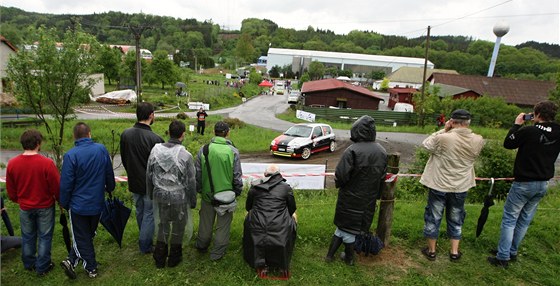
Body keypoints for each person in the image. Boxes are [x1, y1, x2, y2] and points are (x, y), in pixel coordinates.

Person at [488, 101, 560, 268]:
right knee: (524, 220)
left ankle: (503, 257)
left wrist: (516, 125)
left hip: (524, 182)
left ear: (537, 114)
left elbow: (508, 143)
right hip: (543, 183)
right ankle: (511, 251)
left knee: (510, 219)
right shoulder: (558, 131)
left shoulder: (529, 130)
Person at [419, 109, 484, 262]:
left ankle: (432, 250)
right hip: (460, 185)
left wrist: (444, 129)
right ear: (468, 123)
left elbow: (426, 144)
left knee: (434, 216)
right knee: (456, 217)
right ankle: (454, 251)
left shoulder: (444, 138)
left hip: (439, 183)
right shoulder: (478, 139)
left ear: (453, 122)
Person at [325, 115, 388, 266]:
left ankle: (348, 259)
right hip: (369, 199)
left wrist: (341, 184)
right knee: (352, 228)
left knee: (345, 227)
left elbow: (341, 175)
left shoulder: (352, 150)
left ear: (356, 131)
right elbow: (382, 178)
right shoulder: (382, 151)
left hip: (350, 197)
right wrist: (377, 195)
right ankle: (341, 257)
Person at [59, 122, 115, 279]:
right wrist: (110, 188)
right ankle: (72, 261)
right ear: (89, 134)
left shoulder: (71, 155)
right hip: (97, 203)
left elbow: (66, 184)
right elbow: (108, 173)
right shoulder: (101, 150)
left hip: (78, 205)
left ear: (74, 137)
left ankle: (90, 267)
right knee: (86, 235)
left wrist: (63, 202)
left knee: (83, 235)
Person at [6, 129, 60, 276]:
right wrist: (60, 200)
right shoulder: (47, 164)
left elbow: (11, 190)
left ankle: (29, 263)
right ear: (38, 143)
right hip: (45, 206)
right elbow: (56, 186)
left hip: (25, 207)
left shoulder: (12, 164)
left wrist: (18, 200)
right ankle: (42, 266)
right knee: (44, 236)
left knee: (28, 235)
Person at [146, 120, 197, 268]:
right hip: (178, 197)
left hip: (160, 195)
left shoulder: (155, 151)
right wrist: (192, 200)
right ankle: (174, 258)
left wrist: (150, 193)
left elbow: (149, 174)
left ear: (168, 133)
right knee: (178, 225)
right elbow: (191, 181)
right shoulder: (186, 155)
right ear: (183, 135)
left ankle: (160, 257)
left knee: (162, 224)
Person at [194, 121, 243, 261]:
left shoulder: (204, 150)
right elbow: (237, 175)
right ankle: (217, 254)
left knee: (205, 223)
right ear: (228, 133)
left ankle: (202, 245)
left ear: (214, 132)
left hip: (208, 195)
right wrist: (237, 191)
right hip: (226, 196)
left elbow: (197, 174)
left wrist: (200, 190)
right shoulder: (233, 151)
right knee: (223, 226)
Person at [120, 102, 164, 254]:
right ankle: (145, 244)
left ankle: (143, 236)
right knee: (149, 213)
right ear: (151, 115)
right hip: (150, 183)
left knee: (140, 210)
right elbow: (161, 165)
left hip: (133, 180)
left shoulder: (126, 134)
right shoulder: (155, 139)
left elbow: (124, 158)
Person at [243, 165, 297, 278]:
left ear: (265, 174)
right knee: (293, 218)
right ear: (279, 174)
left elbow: (248, 207)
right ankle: (282, 265)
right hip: (279, 224)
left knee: (248, 217)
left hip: (258, 223)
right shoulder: (286, 188)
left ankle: (260, 264)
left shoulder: (255, 186)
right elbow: (292, 208)